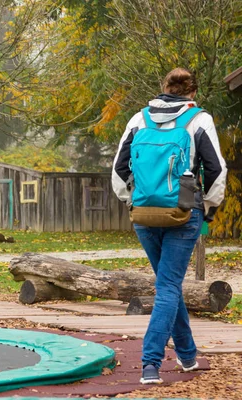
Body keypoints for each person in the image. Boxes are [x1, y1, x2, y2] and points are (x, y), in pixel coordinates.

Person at [112, 68, 227, 384]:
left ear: (163, 88)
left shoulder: (139, 120)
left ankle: (188, 355)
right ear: (193, 93)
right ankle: (150, 363)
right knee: (168, 286)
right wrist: (209, 210)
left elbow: (119, 170)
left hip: (144, 216)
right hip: (182, 214)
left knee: (167, 284)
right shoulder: (198, 120)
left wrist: (132, 202)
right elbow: (216, 171)